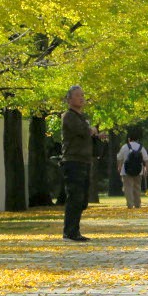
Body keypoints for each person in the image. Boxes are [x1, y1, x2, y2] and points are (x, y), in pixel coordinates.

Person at [60, 85, 100, 241]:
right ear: (69, 99)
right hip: (73, 161)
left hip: (84, 161)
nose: (81, 98)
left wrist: (96, 134)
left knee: (82, 199)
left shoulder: (82, 117)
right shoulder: (68, 116)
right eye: (78, 95)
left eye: (83, 95)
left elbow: (87, 132)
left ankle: (74, 230)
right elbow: (83, 131)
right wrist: (91, 131)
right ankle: (70, 232)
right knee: (75, 197)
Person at [117, 128, 148, 209]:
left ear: (129, 139)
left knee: (128, 188)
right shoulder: (141, 147)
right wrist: (146, 169)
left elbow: (119, 158)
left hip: (126, 171)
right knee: (137, 187)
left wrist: (119, 166)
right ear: (137, 139)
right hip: (138, 171)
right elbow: (146, 159)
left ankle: (130, 204)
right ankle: (137, 204)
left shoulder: (124, 147)